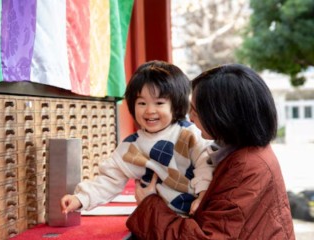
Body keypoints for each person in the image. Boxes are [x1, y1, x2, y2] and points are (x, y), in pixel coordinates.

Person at [126, 63, 296, 239]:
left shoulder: (247, 166)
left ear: (223, 115)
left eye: (196, 111)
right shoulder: (244, 151)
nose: (190, 118)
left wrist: (149, 205)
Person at [60, 60, 214, 216]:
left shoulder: (189, 134)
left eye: (159, 103)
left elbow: (206, 164)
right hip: (158, 218)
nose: (149, 110)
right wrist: (80, 198)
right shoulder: (131, 147)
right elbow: (109, 179)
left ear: (176, 105)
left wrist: (203, 196)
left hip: (198, 210)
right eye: (141, 103)